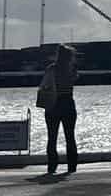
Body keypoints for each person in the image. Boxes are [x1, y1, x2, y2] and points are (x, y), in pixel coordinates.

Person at [37, 44, 79, 174]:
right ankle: (72, 167)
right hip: (68, 103)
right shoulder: (71, 69)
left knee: (52, 137)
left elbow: (44, 85)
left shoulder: (51, 69)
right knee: (70, 136)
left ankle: (52, 166)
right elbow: (73, 80)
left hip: (53, 104)